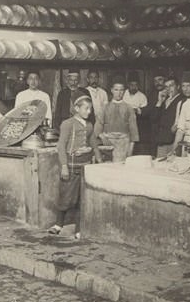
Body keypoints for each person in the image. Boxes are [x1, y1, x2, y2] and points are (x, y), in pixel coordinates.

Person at [50, 96, 101, 239]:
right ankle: (58, 224)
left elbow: (94, 143)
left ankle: (79, 229)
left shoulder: (89, 125)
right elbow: (61, 146)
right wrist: (64, 167)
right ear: (77, 109)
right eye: (86, 108)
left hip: (85, 166)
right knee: (65, 196)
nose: (89, 111)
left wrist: (99, 159)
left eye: (90, 109)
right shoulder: (67, 124)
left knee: (81, 199)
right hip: (71, 166)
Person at [94, 76, 139, 161]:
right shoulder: (105, 107)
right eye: (116, 90)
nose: (119, 93)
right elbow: (98, 127)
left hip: (124, 144)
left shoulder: (129, 108)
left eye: (121, 90)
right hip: (108, 144)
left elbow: (134, 132)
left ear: (124, 91)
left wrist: (130, 150)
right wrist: (103, 138)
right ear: (111, 90)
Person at [153, 76, 184, 158]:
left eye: (171, 85)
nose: (169, 89)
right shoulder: (164, 100)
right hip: (161, 141)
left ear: (178, 86)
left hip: (173, 142)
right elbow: (154, 119)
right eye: (166, 86)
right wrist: (159, 102)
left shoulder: (182, 100)